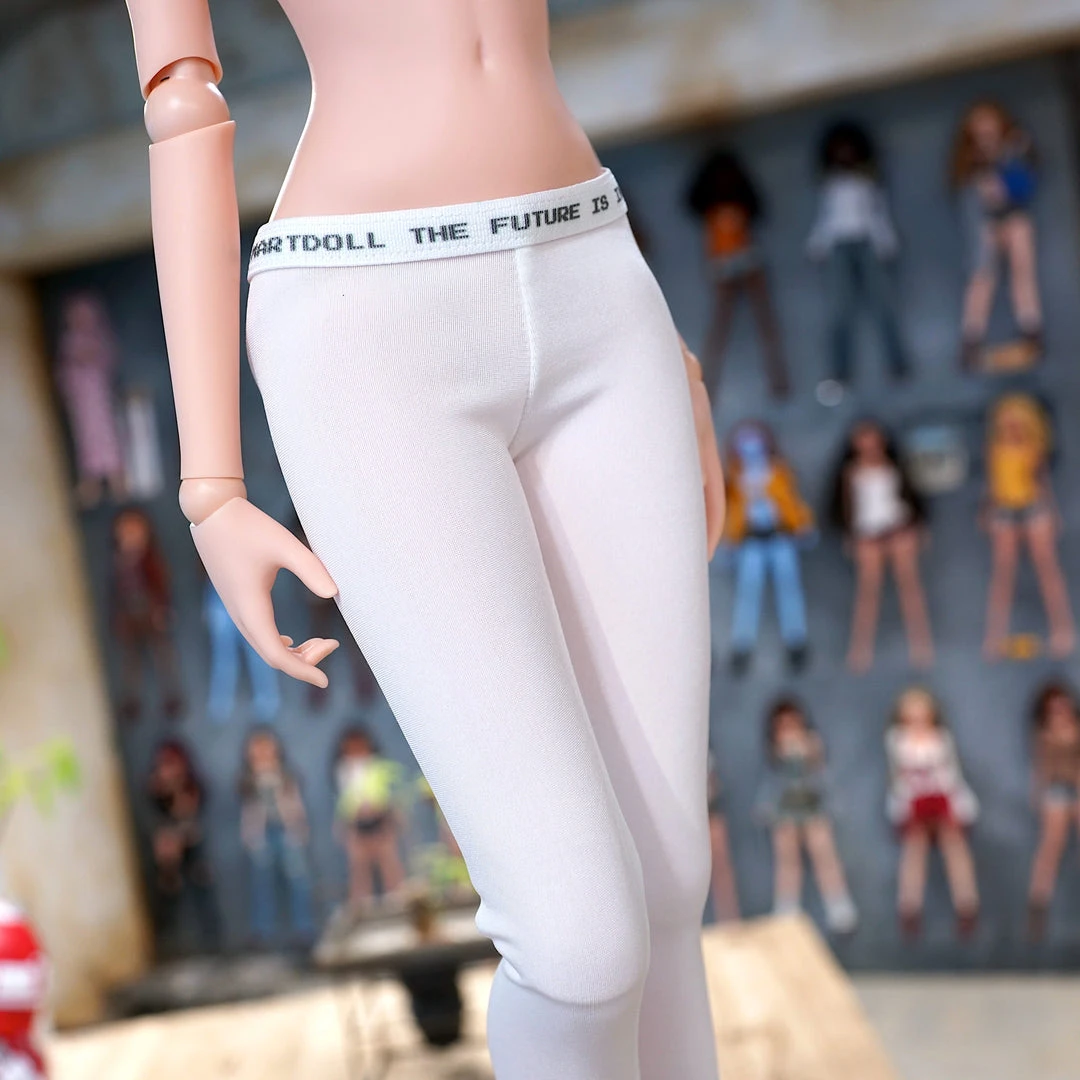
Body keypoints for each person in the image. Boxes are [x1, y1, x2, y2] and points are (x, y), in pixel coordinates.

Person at [123, 3, 725, 1076]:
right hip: (368, 317)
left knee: (673, 882)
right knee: (579, 944)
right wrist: (211, 488)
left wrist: (667, 347)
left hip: (595, 265)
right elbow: (182, 106)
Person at [807, 120, 907, 398]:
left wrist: (886, 241)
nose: (844, 155)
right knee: (839, 309)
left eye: (849, 149)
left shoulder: (868, 182)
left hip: (866, 243)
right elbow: (826, 219)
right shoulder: (829, 185)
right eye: (839, 150)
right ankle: (840, 372)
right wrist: (817, 244)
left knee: (883, 303)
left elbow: (878, 215)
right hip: (839, 245)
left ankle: (897, 365)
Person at [830, 420, 934, 673]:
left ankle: (921, 644)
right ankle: (861, 649)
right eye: (863, 441)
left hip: (898, 529)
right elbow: (841, 505)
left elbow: (912, 494)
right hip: (867, 535)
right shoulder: (850, 472)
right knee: (868, 593)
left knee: (910, 587)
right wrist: (849, 533)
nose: (869, 447)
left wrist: (917, 525)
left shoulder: (894, 466)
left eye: (873, 441)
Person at [687, 149, 789, 398]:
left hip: (744, 255)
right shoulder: (710, 206)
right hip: (723, 260)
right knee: (721, 324)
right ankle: (708, 386)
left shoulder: (738, 202)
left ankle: (779, 380)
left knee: (763, 320)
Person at [981, 394, 1074, 660]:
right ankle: (995, 635)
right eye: (1007, 422)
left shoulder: (1034, 448)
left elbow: (1042, 481)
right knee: (1003, 573)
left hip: (1033, 506)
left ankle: (1063, 629)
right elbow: (993, 483)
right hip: (1005, 509)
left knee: (1047, 569)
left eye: (1017, 422)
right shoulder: (995, 448)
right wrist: (987, 510)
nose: (1012, 427)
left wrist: (1052, 511)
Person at [951, 102, 1042, 369]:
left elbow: (1023, 184)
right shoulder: (968, 158)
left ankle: (1032, 332)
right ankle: (971, 342)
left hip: (1013, 215)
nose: (985, 128)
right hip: (985, 223)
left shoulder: (1014, 148)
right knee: (982, 278)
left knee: (1022, 272)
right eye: (978, 123)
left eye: (989, 121)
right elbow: (968, 195)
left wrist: (1011, 155)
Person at [721, 420, 814, 674]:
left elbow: (792, 501)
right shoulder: (735, 476)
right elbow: (732, 511)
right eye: (745, 445)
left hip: (780, 538)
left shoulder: (778, 472)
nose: (751, 450)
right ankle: (742, 645)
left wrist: (803, 524)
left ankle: (796, 642)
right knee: (748, 593)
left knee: (789, 591)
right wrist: (730, 541)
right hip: (751, 541)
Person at [757, 699, 857, 935]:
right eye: (783, 724)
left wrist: (807, 749)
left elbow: (819, 770)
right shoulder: (775, 748)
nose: (789, 728)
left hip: (812, 806)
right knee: (788, 860)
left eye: (793, 722)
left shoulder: (811, 742)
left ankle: (838, 903)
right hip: (786, 809)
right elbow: (774, 780)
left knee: (824, 854)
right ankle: (786, 906)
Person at [886, 688, 979, 940]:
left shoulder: (941, 739)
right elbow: (898, 778)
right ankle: (909, 907)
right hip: (915, 802)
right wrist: (901, 807)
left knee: (955, 849)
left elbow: (951, 774)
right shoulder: (897, 741)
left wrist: (961, 805)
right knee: (914, 853)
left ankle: (966, 904)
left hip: (941, 799)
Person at [238, 727, 316, 944]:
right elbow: (247, 809)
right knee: (261, 884)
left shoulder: (286, 774)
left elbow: (296, 803)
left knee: (298, 881)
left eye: (267, 747)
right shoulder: (247, 778)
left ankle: (304, 928)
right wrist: (248, 836)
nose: (263, 752)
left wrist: (301, 828)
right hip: (261, 834)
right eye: (257, 748)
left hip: (288, 831)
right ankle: (262, 931)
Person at [146, 739, 221, 952]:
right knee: (169, 892)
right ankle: (168, 942)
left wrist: (177, 788)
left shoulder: (190, 785)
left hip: (191, 843)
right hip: (168, 850)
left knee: (201, 889)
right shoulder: (156, 787)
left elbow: (187, 811)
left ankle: (212, 940)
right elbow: (158, 814)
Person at [1026, 681, 1080, 940]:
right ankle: (1038, 904)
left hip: (1075, 787)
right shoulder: (1044, 734)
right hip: (1056, 791)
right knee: (1051, 846)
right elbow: (1042, 768)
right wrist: (1038, 793)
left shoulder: (1075, 729)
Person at [333, 727, 408, 913]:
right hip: (357, 827)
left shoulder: (378, 767)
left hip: (380, 823)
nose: (356, 751)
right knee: (359, 871)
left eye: (360, 746)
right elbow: (345, 802)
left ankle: (399, 903)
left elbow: (388, 793)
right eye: (351, 747)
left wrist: (390, 814)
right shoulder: (343, 771)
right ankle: (360, 908)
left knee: (390, 865)